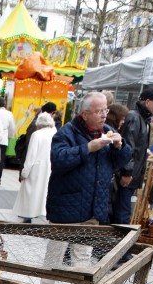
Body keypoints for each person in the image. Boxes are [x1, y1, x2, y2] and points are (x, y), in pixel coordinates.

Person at [47, 90, 131, 225]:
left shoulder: (107, 131)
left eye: (106, 110)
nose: (104, 115)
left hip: (95, 211)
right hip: (67, 211)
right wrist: (88, 148)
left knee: (87, 240)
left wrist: (119, 147)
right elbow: (58, 160)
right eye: (99, 111)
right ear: (85, 115)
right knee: (61, 241)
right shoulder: (67, 132)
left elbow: (121, 162)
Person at [111, 86, 153, 224]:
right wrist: (126, 172)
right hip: (128, 176)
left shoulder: (141, 119)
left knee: (123, 213)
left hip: (132, 175)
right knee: (122, 215)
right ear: (147, 101)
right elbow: (128, 147)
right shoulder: (134, 117)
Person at [12, 112, 55, 222]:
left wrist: (24, 172)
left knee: (30, 193)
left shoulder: (37, 135)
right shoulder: (54, 133)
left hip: (36, 169)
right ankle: (43, 214)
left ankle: (27, 216)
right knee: (44, 192)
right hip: (49, 167)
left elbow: (31, 155)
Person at [0, 95, 15, 180]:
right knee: (1, 158)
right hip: (3, 138)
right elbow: (12, 127)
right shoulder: (9, 114)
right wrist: (10, 136)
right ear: (4, 104)